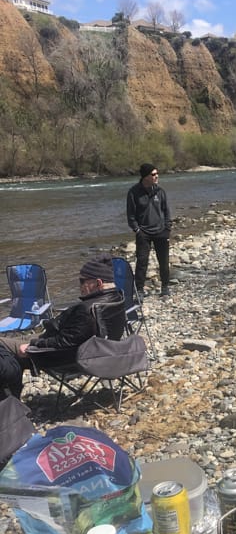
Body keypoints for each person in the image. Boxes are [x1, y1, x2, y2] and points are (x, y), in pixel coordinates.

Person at [0, 255, 122, 396]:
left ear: (98, 283)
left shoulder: (87, 309)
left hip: (65, 358)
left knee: (4, 347)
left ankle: (10, 404)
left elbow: (65, 342)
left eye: (82, 281)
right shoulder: (117, 298)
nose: (80, 286)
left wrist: (33, 345)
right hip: (102, 353)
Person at [126, 163, 172, 298]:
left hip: (161, 231)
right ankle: (139, 290)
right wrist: (137, 230)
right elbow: (130, 215)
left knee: (164, 261)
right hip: (144, 233)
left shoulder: (160, 191)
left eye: (157, 173)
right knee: (141, 262)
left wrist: (167, 228)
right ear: (145, 177)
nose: (156, 176)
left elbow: (166, 211)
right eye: (153, 174)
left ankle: (165, 287)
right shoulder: (133, 192)